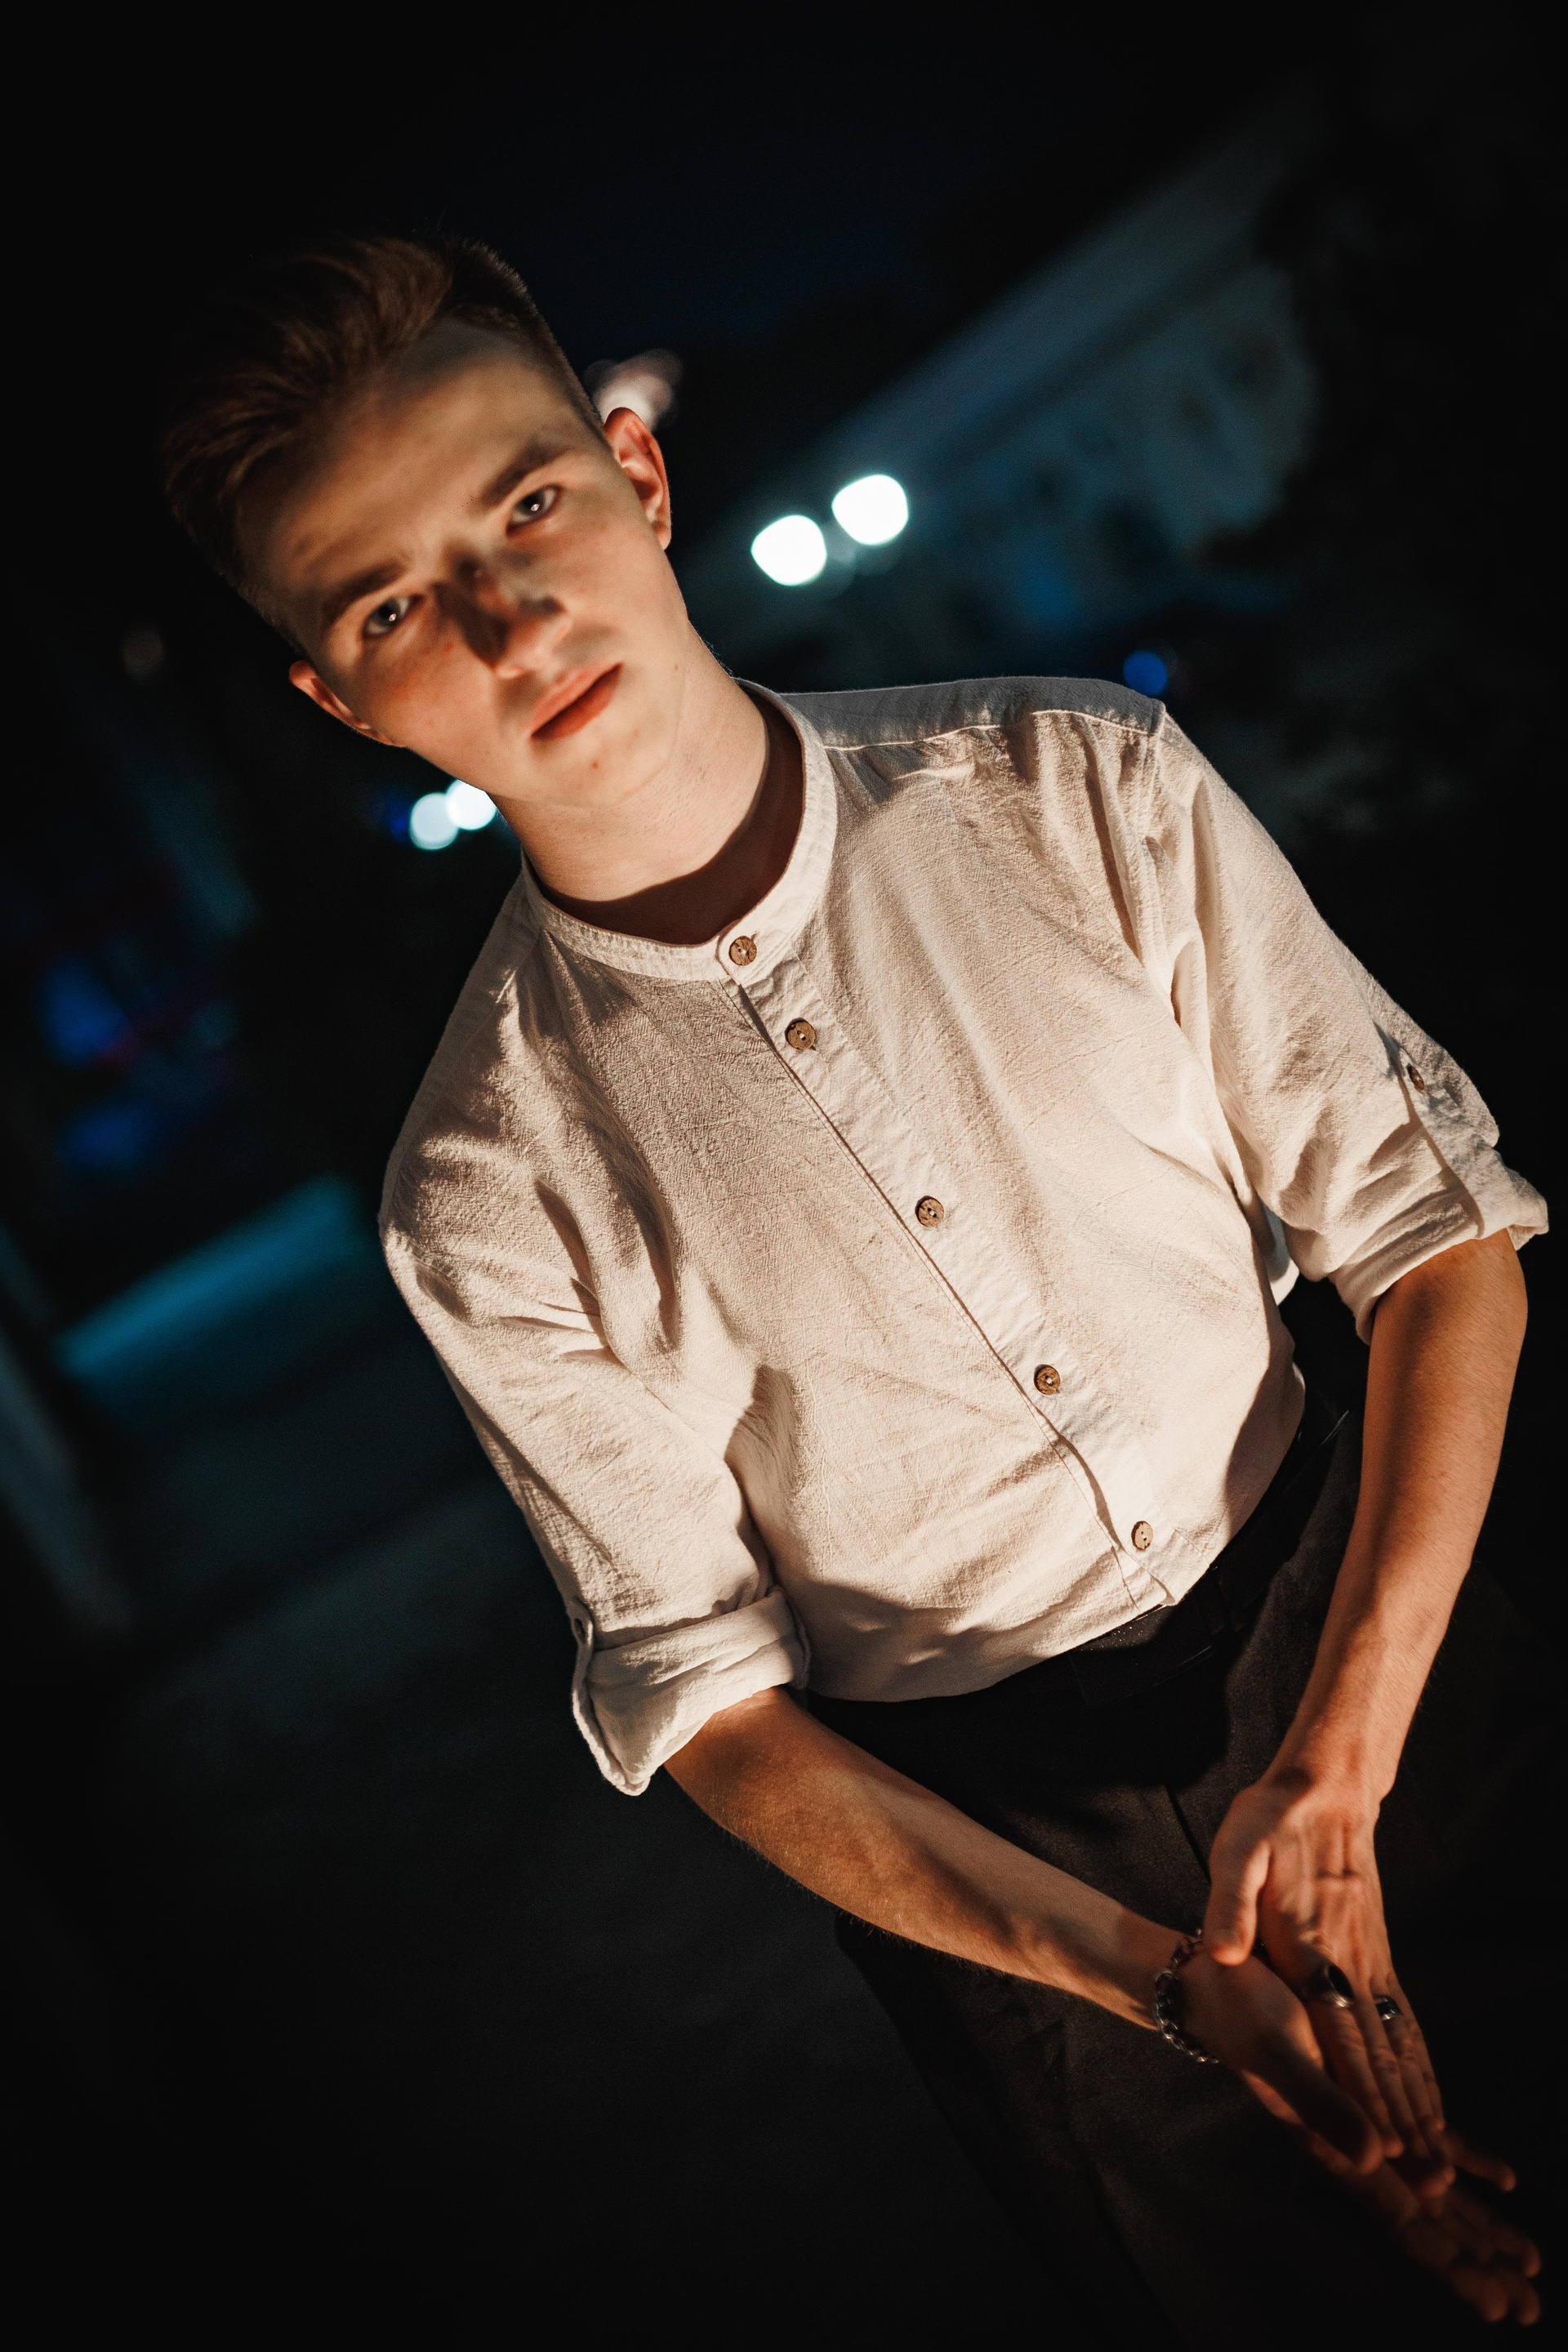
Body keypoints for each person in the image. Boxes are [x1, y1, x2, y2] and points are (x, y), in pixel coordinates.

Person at [159, 236, 1548, 2340]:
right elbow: (713, 1708)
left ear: (635, 471)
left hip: (1394, 1637)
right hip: (1004, 1878)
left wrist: (1342, 1752)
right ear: (340, 702)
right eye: (391, 607)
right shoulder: (480, 1191)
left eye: (526, 503)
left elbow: (1434, 1241)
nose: (509, 620)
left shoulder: (1075, 783)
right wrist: (1160, 1984)